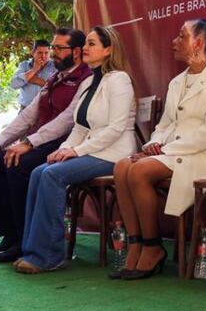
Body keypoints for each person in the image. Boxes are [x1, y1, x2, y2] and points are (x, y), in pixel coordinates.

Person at [112, 16, 206, 280]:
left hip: (200, 156)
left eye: (182, 36)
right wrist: (151, 145)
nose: (175, 41)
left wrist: (165, 151)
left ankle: (152, 246)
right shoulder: (176, 82)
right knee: (122, 166)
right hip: (169, 153)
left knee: (138, 171)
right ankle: (135, 245)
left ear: (199, 43)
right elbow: (164, 124)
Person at [14, 26, 137, 274]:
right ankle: (31, 249)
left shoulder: (120, 79)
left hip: (114, 154)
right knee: (40, 171)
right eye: (85, 44)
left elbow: (115, 129)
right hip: (92, 150)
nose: (85, 49)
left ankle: (49, 256)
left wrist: (77, 152)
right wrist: (63, 149)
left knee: (52, 175)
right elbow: (79, 127)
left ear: (108, 49)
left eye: (92, 44)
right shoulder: (89, 81)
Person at [0, 28, 92, 262]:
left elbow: (67, 119)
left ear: (77, 52)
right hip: (42, 141)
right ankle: (10, 236)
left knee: (18, 163)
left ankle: (25, 239)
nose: (53, 53)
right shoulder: (53, 79)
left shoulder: (87, 78)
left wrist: (28, 143)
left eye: (59, 48)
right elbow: (28, 116)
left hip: (67, 145)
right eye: (53, 47)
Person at [10, 39, 55, 108]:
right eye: (40, 53)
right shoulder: (24, 65)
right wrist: (34, 70)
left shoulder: (55, 66)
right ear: (33, 53)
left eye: (46, 53)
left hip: (48, 109)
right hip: (26, 108)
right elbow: (14, 85)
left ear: (50, 53)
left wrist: (35, 80)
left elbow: (58, 89)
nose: (43, 56)